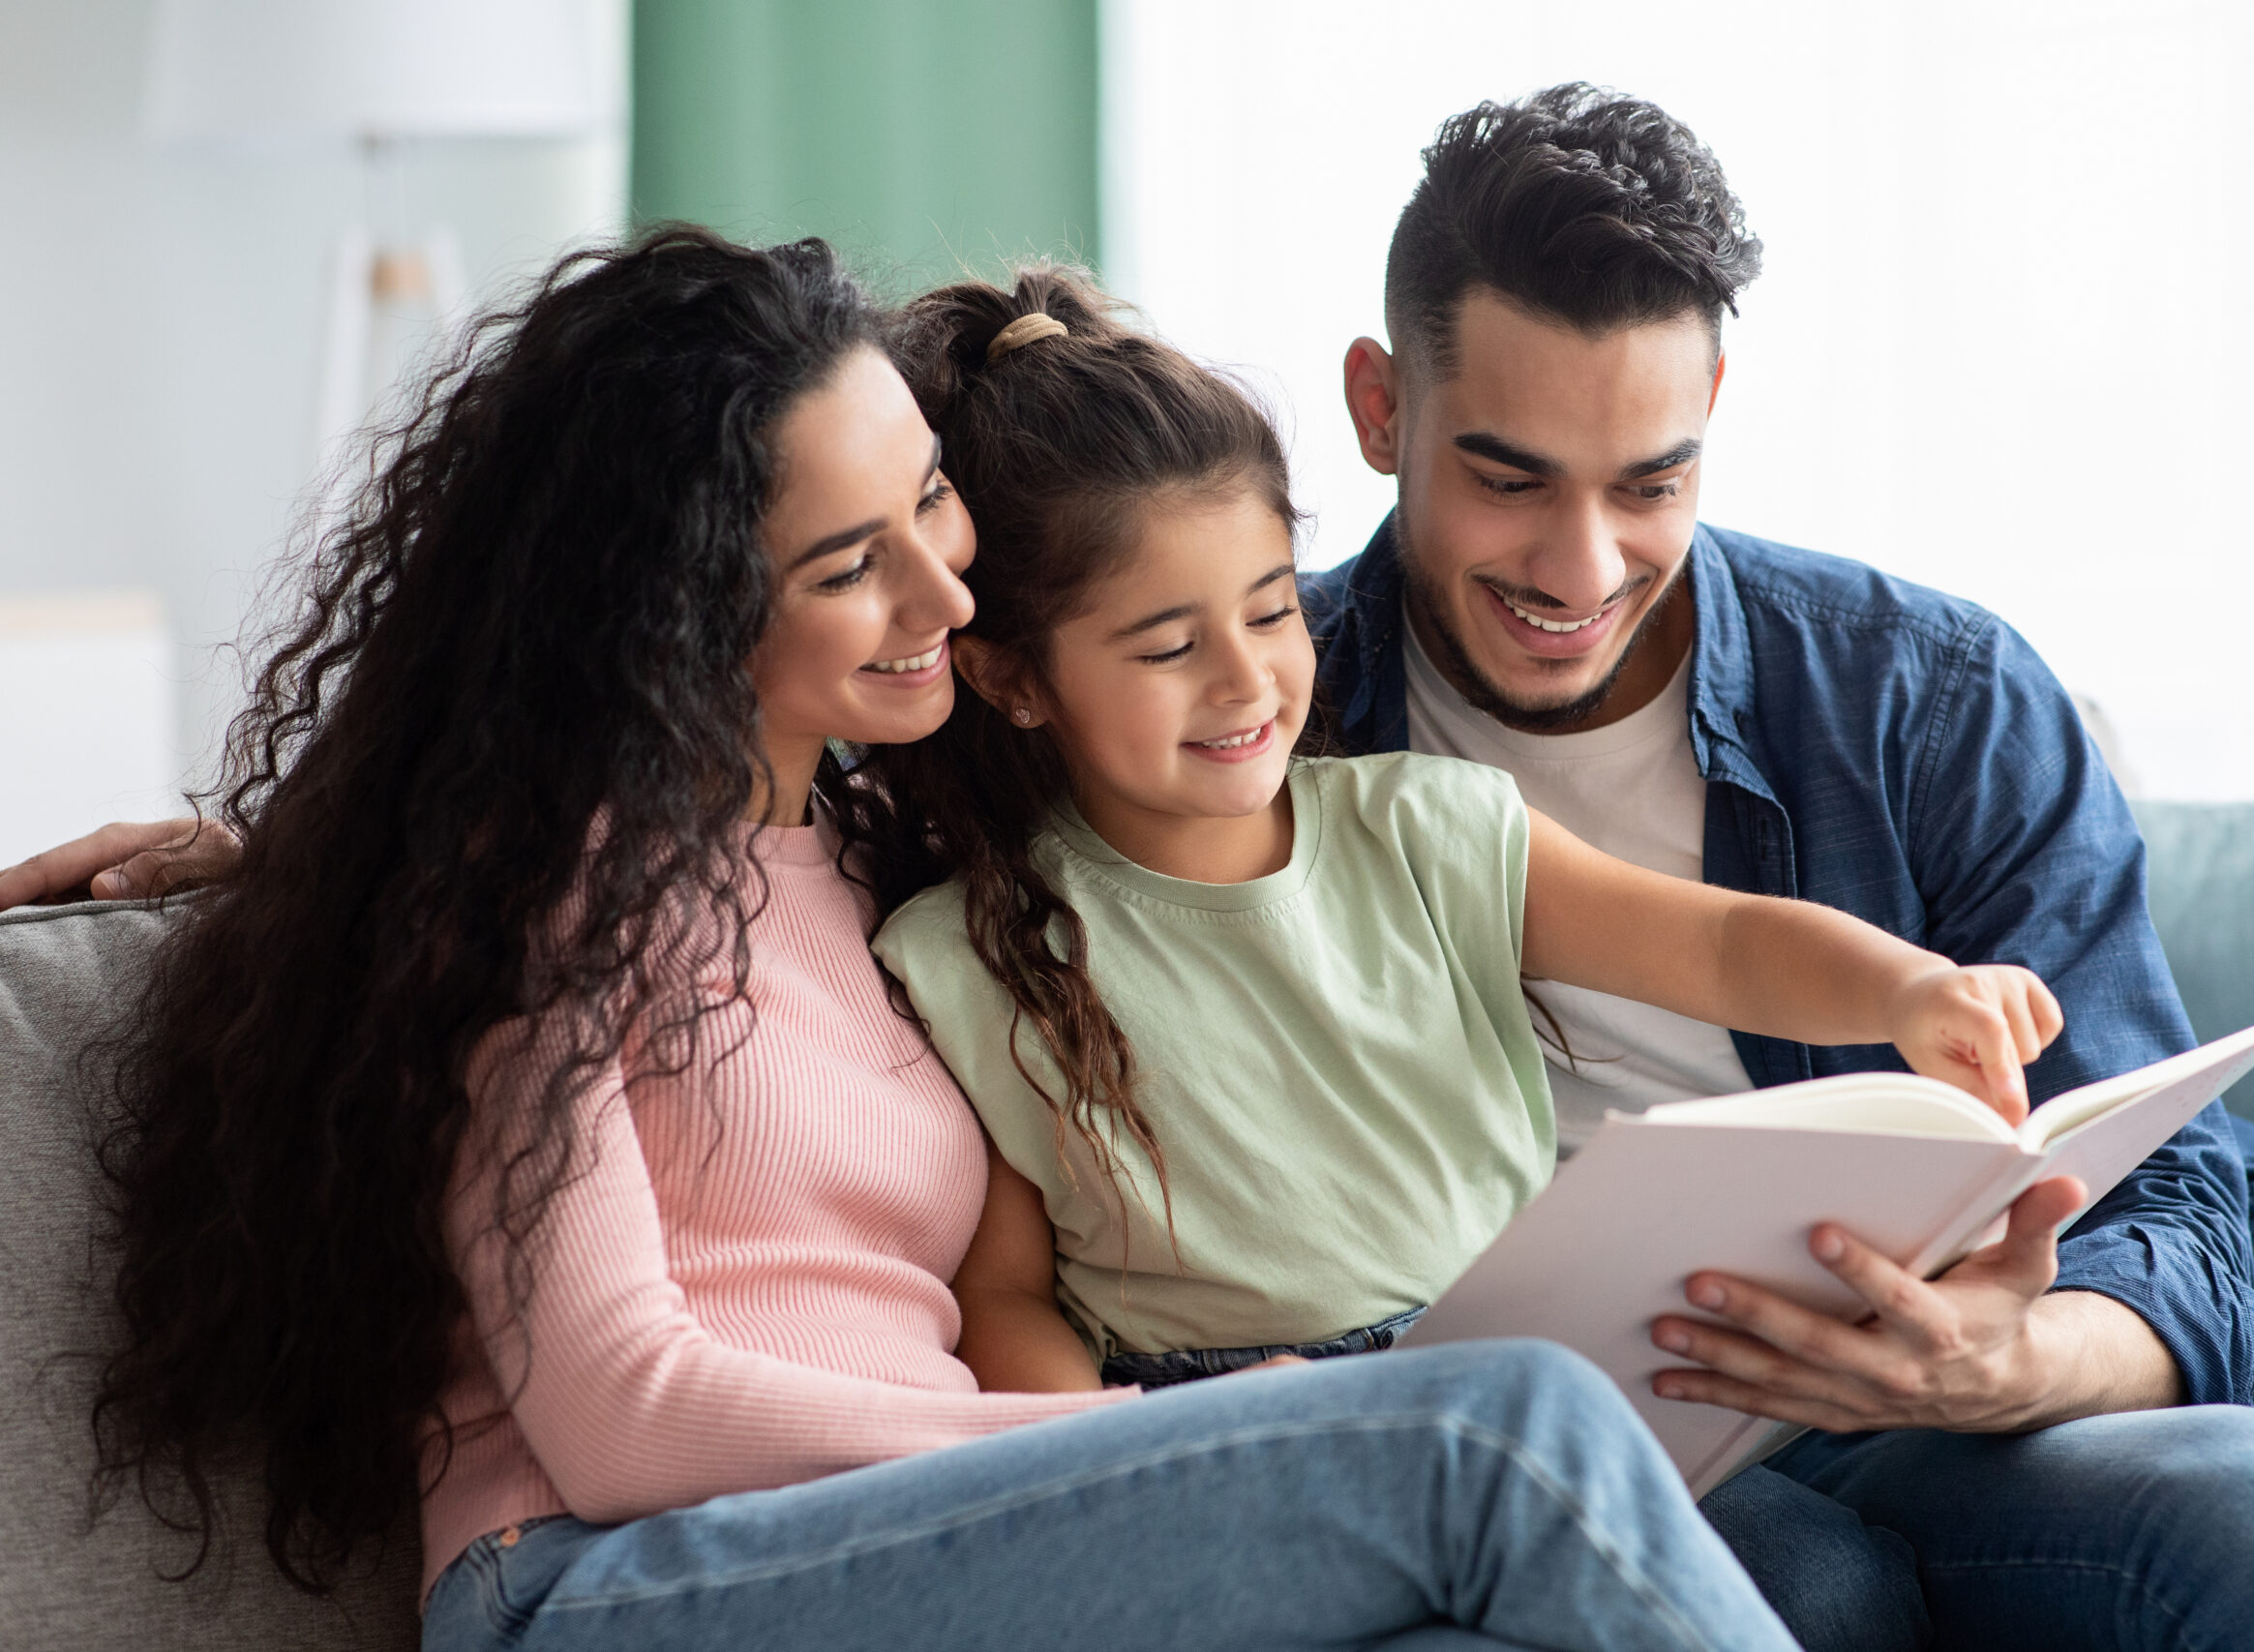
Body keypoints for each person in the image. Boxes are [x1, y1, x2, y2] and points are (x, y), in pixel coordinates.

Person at [69, 227, 1803, 1652]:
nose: (946, 596)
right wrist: (1126, 1432)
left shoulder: (877, 854)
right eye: (852, 565)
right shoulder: (531, 894)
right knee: (1507, 1428)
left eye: (934, 508)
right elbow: (626, 1410)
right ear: (676, 605)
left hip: (896, 1544)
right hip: (606, 1582)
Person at [1301, 82, 2254, 1649]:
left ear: (1714, 397)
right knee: (2243, 1510)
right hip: (1645, 1433)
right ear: (1384, 409)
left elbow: (2160, 1176)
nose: (1581, 571)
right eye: (1509, 479)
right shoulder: (1241, 719)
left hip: (2001, 1344)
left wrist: (2016, 1362)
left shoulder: (1929, 689)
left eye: (1651, 483)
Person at [852, 266, 2060, 1397]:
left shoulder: (1429, 829)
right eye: (1168, 647)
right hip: (1219, 1413)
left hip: (1513, 1368)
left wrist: (1909, 994)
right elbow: (1000, 1299)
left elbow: (1724, 948)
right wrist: (1146, 1458)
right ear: (1012, 677)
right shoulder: (967, 955)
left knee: (1823, 1581)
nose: (1246, 680)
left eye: (1273, 610)